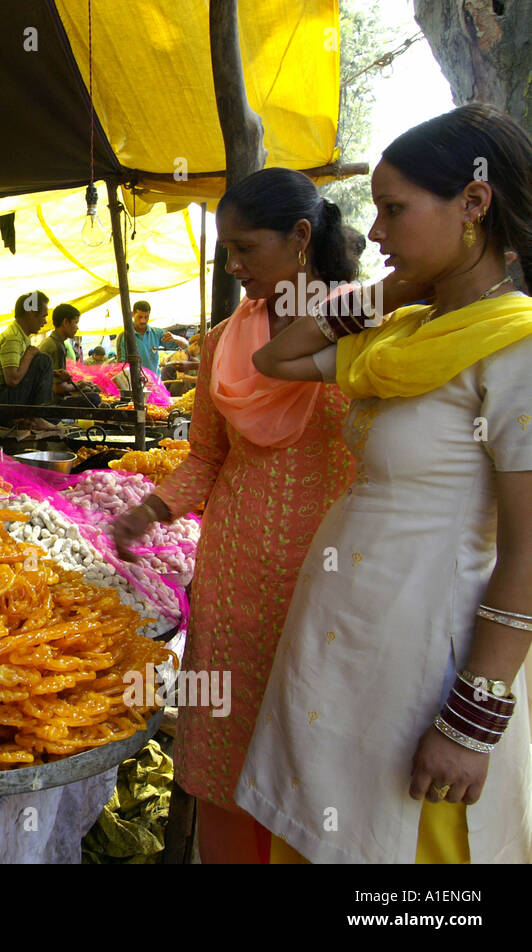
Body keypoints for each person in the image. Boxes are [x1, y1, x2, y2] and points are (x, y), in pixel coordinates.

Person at [243, 104, 532, 864]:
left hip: (427, 661)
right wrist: (387, 295)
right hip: (344, 639)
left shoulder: (516, 348)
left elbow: (529, 554)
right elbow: (275, 360)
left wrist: (472, 723)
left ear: (474, 203)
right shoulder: (405, 337)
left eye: (395, 210)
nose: (374, 233)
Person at [109, 167, 375, 863]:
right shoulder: (226, 337)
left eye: (244, 249)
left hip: (332, 578)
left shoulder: (366, 328)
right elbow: (206, 456)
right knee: (226, 750)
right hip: (232, 577)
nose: (232, 266)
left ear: (301, 237)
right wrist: (151, 509)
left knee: (313, 750)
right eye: (223, 251)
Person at [0, 291, 53, 405]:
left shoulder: (22, 336)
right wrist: (29, 354)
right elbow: (12, 380)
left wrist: (54, 373)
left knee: (42, 361)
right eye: (44, 316)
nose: (45, 322)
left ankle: (38, 416)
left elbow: (24, 369)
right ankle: (38, 417)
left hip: (2, 395)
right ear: (31, 312)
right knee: (43, 360)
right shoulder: (13, 338)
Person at [114, 301, 187, 376]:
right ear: (133, 314)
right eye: (140, 317)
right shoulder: (124, 337)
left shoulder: (157, 333)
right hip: (135, 384)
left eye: (146, 317)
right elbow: (121, 366)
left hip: (155, 383)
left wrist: (175, 337)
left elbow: (185, 345)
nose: (143, 321)